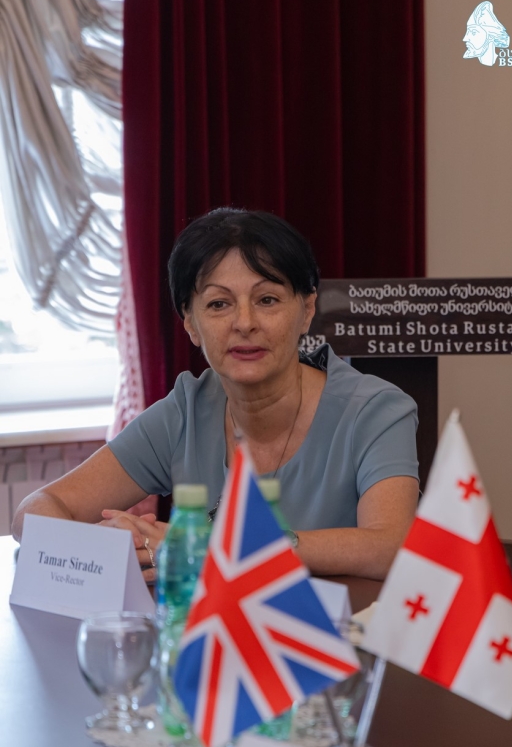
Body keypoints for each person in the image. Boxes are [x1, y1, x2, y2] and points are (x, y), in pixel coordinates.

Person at [12, 208, 419, 581]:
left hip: (338, 633)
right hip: (211, 633)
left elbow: (391, 547)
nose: (245, 322)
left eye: (267, 300)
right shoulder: (184, 413)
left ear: (307, 310)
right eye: (219, 304)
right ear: (191, 323)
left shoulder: (375, 410)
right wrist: (108, 547)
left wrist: (211, 547)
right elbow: (33, 511)